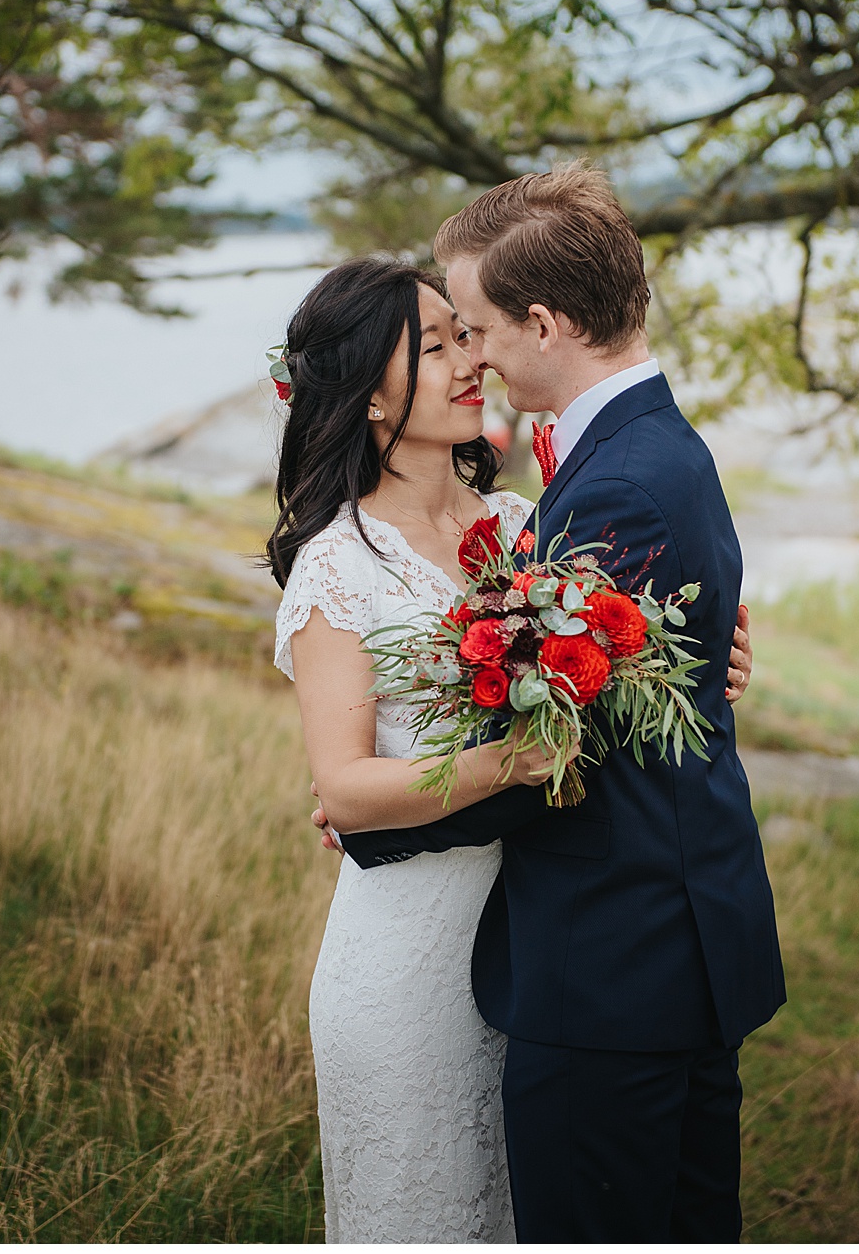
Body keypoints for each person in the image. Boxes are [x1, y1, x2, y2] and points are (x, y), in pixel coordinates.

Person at [308, 165, 784, 1241]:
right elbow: (624, 675)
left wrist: (371, 814)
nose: (469, 354)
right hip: (647, 941)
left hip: (617, 960)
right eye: (445, 339)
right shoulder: (643, 449)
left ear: (543, 320)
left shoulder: (612, 481)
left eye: (472, 326)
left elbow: (567, 744)